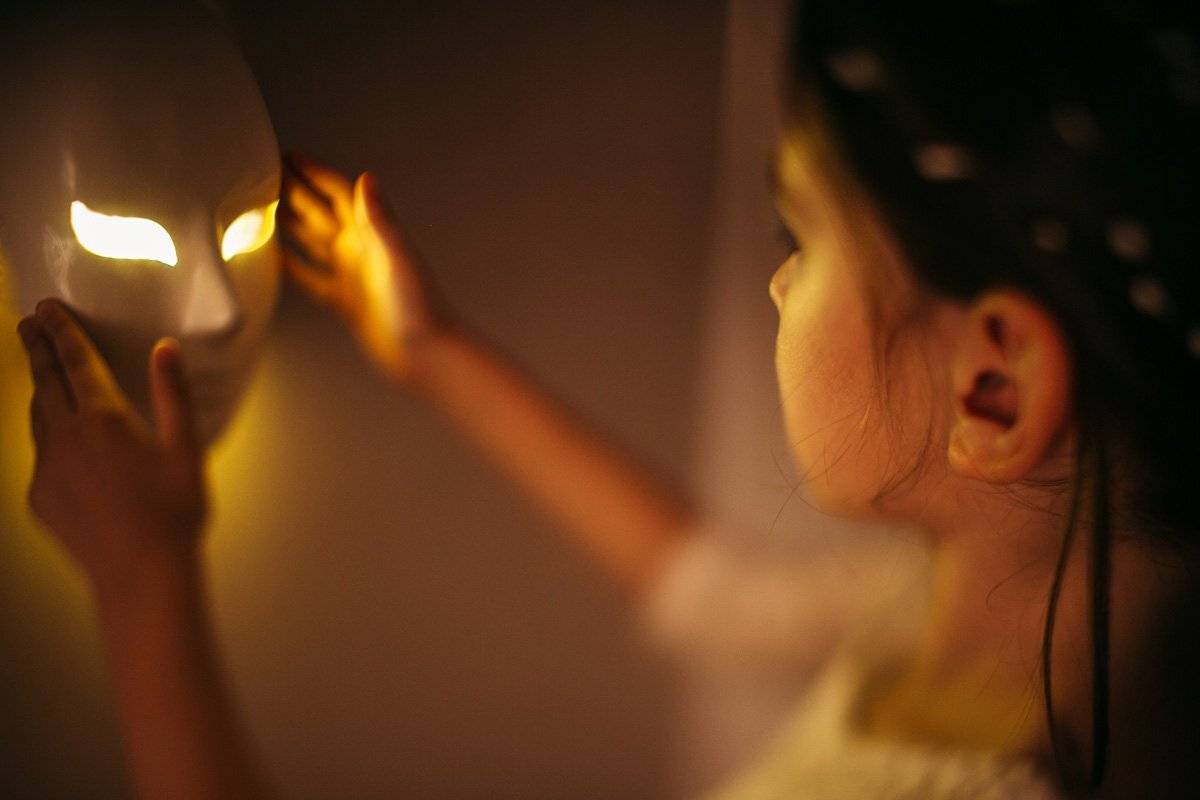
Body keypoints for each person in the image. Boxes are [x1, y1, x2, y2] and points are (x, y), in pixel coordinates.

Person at [13, 1, 1200, 797]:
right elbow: (710, 591)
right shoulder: (961, 614)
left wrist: (142, 582)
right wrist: (434, 351)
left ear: (991, 388)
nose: (778, 282)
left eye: (800, 236)